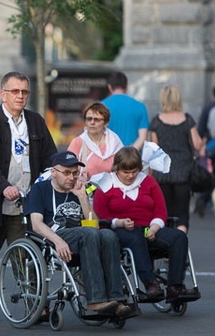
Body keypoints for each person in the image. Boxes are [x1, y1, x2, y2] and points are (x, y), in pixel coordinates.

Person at [0, 71, 57, 324]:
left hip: (26, 203)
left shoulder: (35, 121)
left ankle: (35, 305)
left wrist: (63, 171)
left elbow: (50, 156)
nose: (20, 96)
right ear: (3, 94)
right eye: (15, 91)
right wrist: (3, 186)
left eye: (24, 92)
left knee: (27, 257)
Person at [26, 151, 136, 318]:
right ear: (54, 172)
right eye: (67, 173)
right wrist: (58, 242)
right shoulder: (40, 189)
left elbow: (95, 225)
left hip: (84, 234)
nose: (71, 177)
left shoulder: (80, 189)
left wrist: (83, 197)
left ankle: (117, 299)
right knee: (89, 234)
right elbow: (36, 224)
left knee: (108, 235)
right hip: (57, 234)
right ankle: (95, 300)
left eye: (75, 173)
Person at [92, 147, 200, 303]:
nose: (130, 176)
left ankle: (175, 286)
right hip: (121, 230)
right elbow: (101, 216)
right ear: (117, 168)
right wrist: (119, 222)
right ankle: (151, 284)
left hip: (149, 227)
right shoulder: (106, 184)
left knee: (179, 237)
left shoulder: (148, 182)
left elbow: (160, 211)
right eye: (126, 172)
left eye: (134, 171)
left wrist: (155, 227)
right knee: (135, 239)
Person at [149, 85, 203, 232]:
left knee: (164, 213)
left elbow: (154, 150)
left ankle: (168, 244)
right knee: (182, 213)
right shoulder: (187, 120)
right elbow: (197, 144)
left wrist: (150, 174)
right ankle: (181, 244)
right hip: (183, 172)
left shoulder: (156, 121)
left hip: (162, 174)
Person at [66, 102, 123, 178]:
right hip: (86, 188)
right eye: (89, 119)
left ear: (106, 122)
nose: (92, 122)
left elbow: (124, 166)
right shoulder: (78, 142)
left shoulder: (114, 141)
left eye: (97, 119)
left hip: (112, 187)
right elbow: (68, 168)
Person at [100, 71, 149, 150]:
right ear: (127, 86)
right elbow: (142, 138)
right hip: (133, 159)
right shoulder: (140, 106)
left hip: (107, 156)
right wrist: (129, 154)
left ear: (109, 87)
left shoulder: (100, 107)